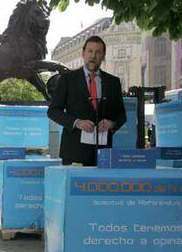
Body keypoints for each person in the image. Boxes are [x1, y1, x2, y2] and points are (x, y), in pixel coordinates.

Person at [48, 35, 126, 166]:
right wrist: (76, 122)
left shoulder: (113, 82)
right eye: (90, 51)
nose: (93, 56)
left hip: (103, 153)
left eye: (98, 52)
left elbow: (121, 116)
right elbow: (53, 111)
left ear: (103, 56)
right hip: (74, 151)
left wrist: (111, 124)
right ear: (83, 53)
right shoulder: (67, 79)